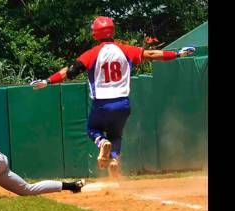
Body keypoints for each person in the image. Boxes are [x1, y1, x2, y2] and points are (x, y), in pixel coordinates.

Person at [30, 16, 195, 177]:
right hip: (123, 103)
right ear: (112, 31)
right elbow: (151, 55)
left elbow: (69, 70)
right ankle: (114, 159)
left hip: (101, 103)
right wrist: (177, 54)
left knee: (92, 129)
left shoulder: (92, 54)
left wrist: (47, 80)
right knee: (116, 135)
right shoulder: (126, 50)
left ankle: (102, 142)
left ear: (95, 34)